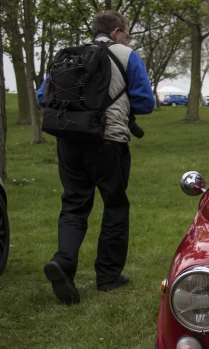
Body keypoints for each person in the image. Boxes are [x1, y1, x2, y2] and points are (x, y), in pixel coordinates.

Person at [36, 10, 155, 304]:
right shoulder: (127, 56)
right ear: (116, 32)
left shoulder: (69, 55)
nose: (128, 37)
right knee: (114, 205)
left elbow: (43, 97)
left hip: (69, 139)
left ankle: (63, 263)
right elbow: (145, 102)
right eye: (127, 32)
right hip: (108, 141)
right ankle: (108, 276)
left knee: (74, 205)